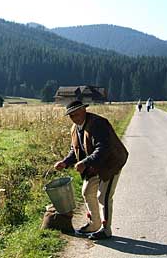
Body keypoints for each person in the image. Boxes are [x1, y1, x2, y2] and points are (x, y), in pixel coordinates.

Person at [54, 100, 128, 240]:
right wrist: (65, 162)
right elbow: (74, 149)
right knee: (87, 192)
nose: (74, 117)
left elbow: (104, 148)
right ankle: (94, 224)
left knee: (103, 196)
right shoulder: (75, 129)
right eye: (71, 115)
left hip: (110, 163)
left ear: (84, 110)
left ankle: (106, 230)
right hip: (94, 165)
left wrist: (85, 162)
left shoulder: (98, 124)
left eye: (76, 113)